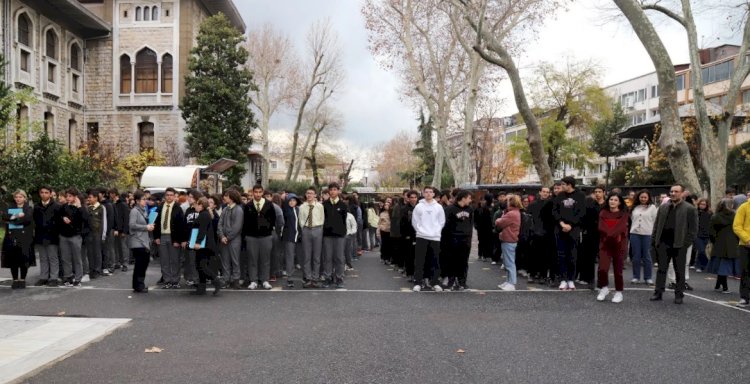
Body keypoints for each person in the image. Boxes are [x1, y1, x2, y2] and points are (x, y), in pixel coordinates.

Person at [650, 184, 698, 304]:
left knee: (679, 271)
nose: (673, 193)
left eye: (676, 191)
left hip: (679, 244)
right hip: (663, 243)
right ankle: (658, 292)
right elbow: (656, 225)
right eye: (671, 191)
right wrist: (655, 239)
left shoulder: (689, 209)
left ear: (682, 193)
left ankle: (679, 294)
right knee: (661, 269)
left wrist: (685, 244)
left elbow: (693, 230)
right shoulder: (663, 207)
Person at [552, 176, 586, 291]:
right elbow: (555, 211)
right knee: (561, 255)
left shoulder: (580, 196)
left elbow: (582, 212)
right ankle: (563, 279)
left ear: (569, 185)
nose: (561, 187)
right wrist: (562, 224)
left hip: (574, 229)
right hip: (560, 229)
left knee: (572, 255)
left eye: (563, 184)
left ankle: (571, 280)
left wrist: (570, 225)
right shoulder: (560, 196)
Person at [411, 186, 446, 292]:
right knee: (420, 260)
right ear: (423, 193)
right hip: (421, 236)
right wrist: (420, 231)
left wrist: (437, 231)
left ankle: (434, 282)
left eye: (431, 192)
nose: (428, 194)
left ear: (434, 194)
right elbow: (415, 221)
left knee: (435, 260)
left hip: (435, 237)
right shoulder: (419, 206)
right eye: (426, 192)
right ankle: (418, 282)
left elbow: (441, 221)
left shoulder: (438, 207)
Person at [596, 193, 630, 303]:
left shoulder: (624, 214)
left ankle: (619, 292)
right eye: (611, 199)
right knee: (602, 268)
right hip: (605, 245)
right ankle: (604, 288)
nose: (613, 201)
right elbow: (601, 227)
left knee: (618, 270)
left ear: (619, 202)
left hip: (619, 245)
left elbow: (620, 227)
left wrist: (610, 234)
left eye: (615, 200)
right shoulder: (603, 212)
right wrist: (609, 235)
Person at [243, 185, 276, 290]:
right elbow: (245, 222)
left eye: (259, 192)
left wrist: (267, 229)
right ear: (252, 193)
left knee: (265, 259)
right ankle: (253, 280)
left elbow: (273, 219)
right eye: (255, 192)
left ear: (262, 193)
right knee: (252, 259)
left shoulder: (269, 204)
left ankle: (265, 280)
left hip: (266, 236)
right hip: (251, 237)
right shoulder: (248, 205)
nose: (257, 194)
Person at [153, 187, 186, 289]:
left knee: (175, 260)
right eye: (167, 195)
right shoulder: (160, 207)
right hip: (162, 237)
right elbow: (155, 222)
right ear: (165, 196)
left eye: (171, 195)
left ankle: (175, 281)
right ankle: (167, 280)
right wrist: (156, 237)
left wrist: (178, 240)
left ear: (174, 196)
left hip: (173, 238)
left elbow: (181, 226)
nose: (169, 197)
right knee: (164, 260)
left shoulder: (178, 208)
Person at [2, 190, 35, 289]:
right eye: (16, 197)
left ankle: (22, 279)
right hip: (12, 236)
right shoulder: (10, 207)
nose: (18, 199)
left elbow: (27, 219)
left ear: (24, 198)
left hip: (24, 237)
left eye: (20, 197)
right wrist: (17, 216)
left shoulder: (28, 208)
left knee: (23, 258)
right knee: (13, 259)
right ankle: (15, 279)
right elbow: (5, 217)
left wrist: (13, 220)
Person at [443, 190, 473, 290]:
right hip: (453, 239)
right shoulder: (450, 209)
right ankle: (451, 282)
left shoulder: (470, 209)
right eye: (469, 198)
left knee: (464, 261)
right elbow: (445, 225)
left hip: (466, 239)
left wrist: (469, 237)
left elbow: (471, 224)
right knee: (452, 261)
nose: (470, 200)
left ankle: (462, 282)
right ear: (463, 198)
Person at [707, 198, 739, 294]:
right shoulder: (735, 215)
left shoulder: (715, 217)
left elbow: (711, 232)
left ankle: (721, 286)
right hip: (732, 243)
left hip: (719, 243)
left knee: (720, 266)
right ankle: (721, 286)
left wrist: (714, 241)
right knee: (725, 266)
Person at [192, 197, 222, 296]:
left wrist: (198, 242)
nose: (194, 206)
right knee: (200, 266)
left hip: (205, 245)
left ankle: (216, 281)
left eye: (196, 204)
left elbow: (202, 230)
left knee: (202, 266)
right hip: (205, 245)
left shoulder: (204, 215)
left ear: (201, 205)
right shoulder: (204, 214)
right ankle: (202, 288)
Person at [58, 188, 87, 287]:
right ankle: (68, 277)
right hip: (64, 235)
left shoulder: (81, 208)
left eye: (70, 196)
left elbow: (85, 218)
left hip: (75, 235)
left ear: (75, 197)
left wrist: (79, 206)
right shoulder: (64, 207)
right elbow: (58, 217)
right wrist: (63, 218)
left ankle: (78, 278)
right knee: (66, 258)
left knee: (77, 258)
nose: (68, 198)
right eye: (67, 196)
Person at [321, 183, 348, 289]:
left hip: (340, 236)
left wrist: (342, 232)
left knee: (339, 258)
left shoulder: (343, 205)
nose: (332, 191)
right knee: (327, 258)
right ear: (329, 191)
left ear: (338, 191)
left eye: (335, 189)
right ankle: (328, 278)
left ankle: (339, 278)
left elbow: (344, 220)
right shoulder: (324, 204)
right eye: (331, 190)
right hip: (327, 235)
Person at [33, 186, 61, 286]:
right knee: (43, 257)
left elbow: (59, 222)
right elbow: (35, 221)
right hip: (40, 235)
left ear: (50, 194)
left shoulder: (56, 206)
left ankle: (54, 278)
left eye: (46, 192)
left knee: (53, 257)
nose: (44, 194)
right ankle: (43, 277)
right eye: (42, 192)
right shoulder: (37, 207)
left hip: (52, 236)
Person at [578, 185, 605, 288]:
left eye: (599, 192)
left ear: (604, 193)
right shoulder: (590, 204)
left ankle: (602, 280)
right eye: (596, 192)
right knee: (589, 257)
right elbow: (584, 218)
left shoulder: (607, 205)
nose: (597, 194)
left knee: (603, 258)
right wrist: (583, 230)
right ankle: (589, 278)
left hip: (604, 234)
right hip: (590, 233)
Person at [630, 189, 658, 285]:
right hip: (634, 234)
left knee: (647, 256)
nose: (643, 199)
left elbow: (655, 221)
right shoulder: (634, 207)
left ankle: (648, 277)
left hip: (647, 234)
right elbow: (632, 219)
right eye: (641, 197)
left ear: (648, 198)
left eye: (645, 197)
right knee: (636, 256)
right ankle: (636, 277)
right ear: (638, 197)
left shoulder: (652, 207)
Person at [129, 190, 154, 293]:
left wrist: (150, 226)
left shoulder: (144, 210)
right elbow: (132, 225)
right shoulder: (134, 211)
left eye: (146, 199)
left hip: (144, 240)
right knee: (140, 264)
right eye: (143, 199)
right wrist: (145, 227)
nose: (145, 201)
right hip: (137, 241)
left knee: (144, 263)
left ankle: (140, 284)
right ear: (137, 201)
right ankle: (138, 285)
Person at [218, 189, 244, 289]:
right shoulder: (225, 209)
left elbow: (237, 227)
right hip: (224, 239)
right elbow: (220, 224)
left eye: (226, 196)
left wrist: (227, 237)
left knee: (235, 260)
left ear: (232, 198)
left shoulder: (238, 210)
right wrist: (222, 236)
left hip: (234, 240)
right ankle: (226, 280)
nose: (224, 197)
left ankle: (236, 280)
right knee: (225, 261)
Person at [299, 187, 324, 288]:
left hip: (317, 229)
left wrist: (319, 228)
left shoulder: (319, 206)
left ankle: (315, 278)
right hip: (306, 230)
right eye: (308, 193)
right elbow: (300, 219)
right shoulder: (302, 207)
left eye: (311, 193)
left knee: (317, 256)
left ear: (315, 195)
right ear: (306, 195)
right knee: (307, 256)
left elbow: (322, 218)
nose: (309, 195)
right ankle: (308, 278)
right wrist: (304, 228)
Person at [496, 194, 522, 291]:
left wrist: (499, 219)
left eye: (507, 201)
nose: (505, 202)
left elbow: (500, 222)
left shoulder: (511, 214)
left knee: (510, 263)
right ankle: (508, 281)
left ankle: (511, 283)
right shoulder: (514, 212)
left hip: (509, 240)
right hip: (509, 239)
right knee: (507, 262)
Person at [85, 189, 107, 280]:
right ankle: (91, 269)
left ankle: (97, 270)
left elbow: (104, 222)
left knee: (97, 252)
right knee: (90, 252)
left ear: (95, 198)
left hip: (98, 233)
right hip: (89, 233)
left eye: (90, 197)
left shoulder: (101, 207)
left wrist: (103, 235)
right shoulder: (88, 208)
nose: (88, 199)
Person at [733, 196, 750, 307]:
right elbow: (737, 226)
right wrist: (747, 239)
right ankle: (744, 297)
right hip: (746, 245)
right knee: (746, 271)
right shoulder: (744, 207)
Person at [281, 193, 302, 288]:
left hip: (299, 237)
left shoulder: (298, 209)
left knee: (301, 256)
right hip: (289, 236)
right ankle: (290, 278)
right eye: (290, 200)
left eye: (294, 200)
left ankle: (305, 276)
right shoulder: (285, 210)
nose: (292, 202)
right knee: (290, 258)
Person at [113, 192, 131, 272]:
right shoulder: (114, 204)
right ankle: (118, 262)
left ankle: (125, 264)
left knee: (123, 248)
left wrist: (125, 231)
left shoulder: (123, 205)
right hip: (116, 229)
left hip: (122, 230)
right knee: (117, 247)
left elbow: (126, 218)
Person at [475, 193, 495, 263]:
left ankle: (487, 255)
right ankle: (483, 255)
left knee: (488, 242)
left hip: (489, 228)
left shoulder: (491, 207)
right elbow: (479, 218)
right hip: (483, 228)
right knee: (483, 242)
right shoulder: (484, 208)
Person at [694, 198, 712, 272]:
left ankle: (700, 265)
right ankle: (701, 264)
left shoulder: (710, 213)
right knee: (701, 250)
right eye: (701, 204)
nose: (702, 206)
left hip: (707, 235)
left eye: (704, 204)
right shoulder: (695, 212)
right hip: (697, 235)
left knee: (703, 251)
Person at [378, 200, 393, 264]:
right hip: (383, 230)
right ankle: (384, 257)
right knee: (384, 244)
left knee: (389, 244)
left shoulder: (392, 212)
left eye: (388, 205)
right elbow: (379, 223)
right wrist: (379, 229)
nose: (386, 206)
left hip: (390, 230)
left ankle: (388, 258)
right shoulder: (382, 213)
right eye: (385, 205)